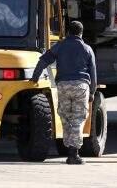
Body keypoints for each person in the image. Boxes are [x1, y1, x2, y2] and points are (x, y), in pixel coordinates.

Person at [31, 21, 97, 165]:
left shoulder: (59, 46)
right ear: (81, 33)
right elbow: (93, 73)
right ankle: (74, 153)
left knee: (65, 117)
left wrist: (35, 77)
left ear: (68, 32)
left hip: (63, 85)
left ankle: (69, 149)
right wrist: (92, 92)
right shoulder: (87, 49)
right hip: (81, 86)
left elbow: (43, 60)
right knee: (78, 118)